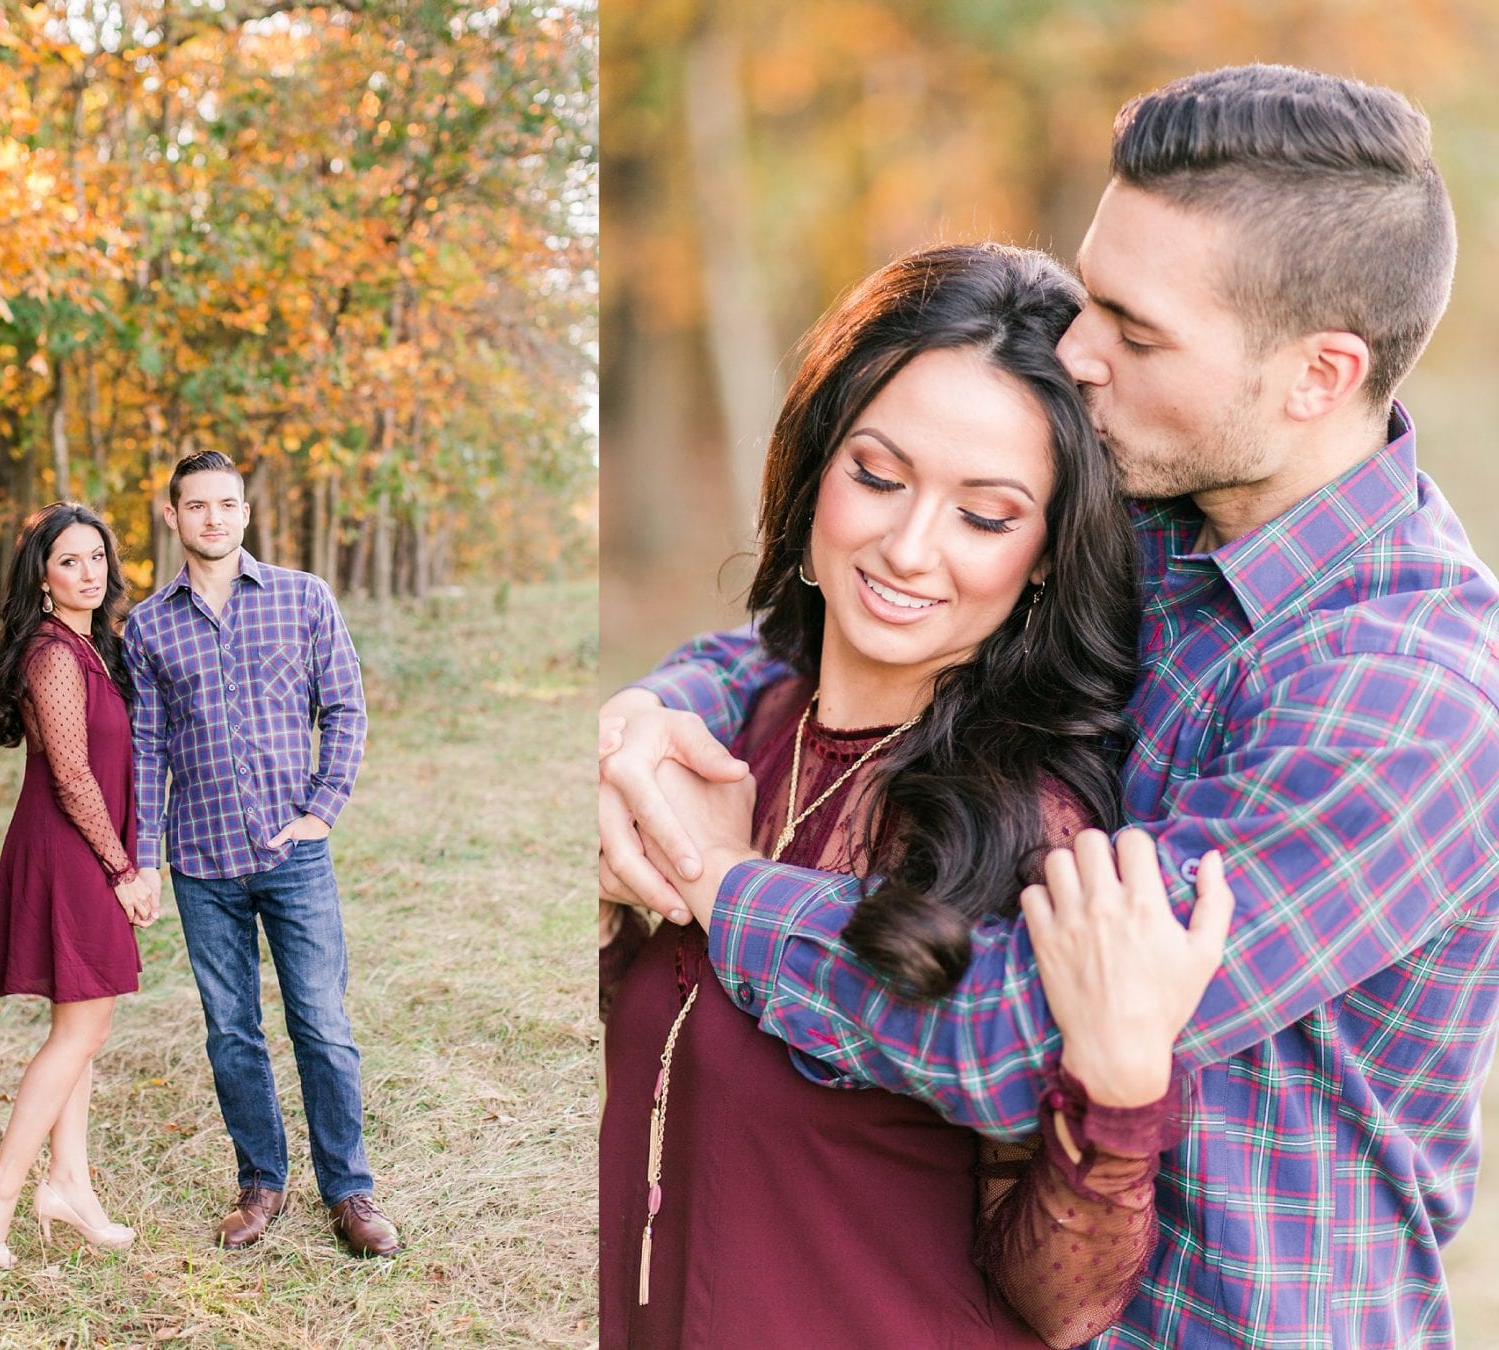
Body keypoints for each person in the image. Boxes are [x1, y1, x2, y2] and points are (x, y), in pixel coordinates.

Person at [600, 64, 1499, 1347]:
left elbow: (1023, 1030)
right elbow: (865, 615)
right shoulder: (1155, 509)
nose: (1078, 353)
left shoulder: (1407, 705)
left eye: (1134, 332)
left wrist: (725, 887)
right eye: (1092, 299)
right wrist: (652, 712)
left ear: (1319, 374)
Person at [599, 242, 1234, 1348]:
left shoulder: (1031, 831)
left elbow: (1064, 1304)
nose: (907, 545)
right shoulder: (727, 736)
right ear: (814, 468)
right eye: (878, 477)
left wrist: (1119, 1100)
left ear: (1045, 553)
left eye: (985, 516)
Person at [121, 451, 401, 1257]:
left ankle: (349, 1192)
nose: (214, 518)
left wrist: (321, 810)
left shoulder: (303, 597)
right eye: (197, 505)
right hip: (200, 861)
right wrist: (144, 858)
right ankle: (261, 1184)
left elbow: (345, 707)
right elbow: (147, 752)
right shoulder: (147, 625)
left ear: (245, 513)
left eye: (228, 505)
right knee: (231, 1030)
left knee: (321, 1023)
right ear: (172, 515)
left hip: (293, 856)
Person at [0, 502, 156, 1270]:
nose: (88, 572)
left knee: (81, 1027)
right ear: (43, 576)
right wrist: (123, 870)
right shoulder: (55, 655)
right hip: (71, 850)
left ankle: (68, 1184)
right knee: (80, 1032)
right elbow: (71, 775)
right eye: (70, 560)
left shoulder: (97, 647)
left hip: (86, 847)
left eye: (97, 557)